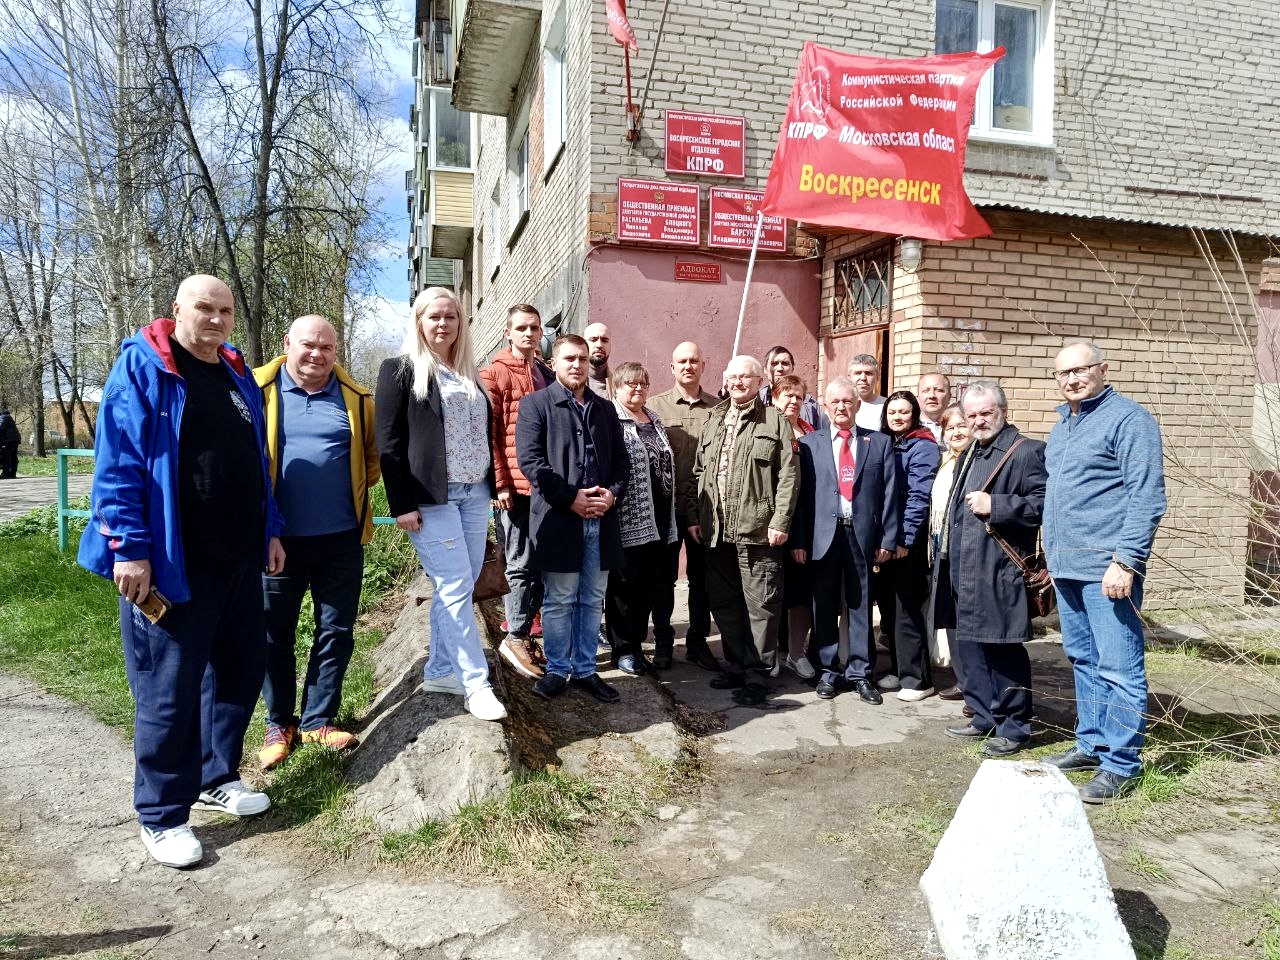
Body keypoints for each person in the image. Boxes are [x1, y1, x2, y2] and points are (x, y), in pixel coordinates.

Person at [78, 274, 283, 869]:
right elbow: (118, 463)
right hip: (172, 561)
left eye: (225, 310)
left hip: (238, 557)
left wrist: (270, 528)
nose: (216, 319)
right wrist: (129, 548)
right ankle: (162, 814)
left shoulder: (236, 373)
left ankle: (215, 776)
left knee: (239, 671)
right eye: (204, 308)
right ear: (177, 309)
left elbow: (257, 459)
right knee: (167, 688)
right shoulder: (145, 367)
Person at [375, 287, 507, 723]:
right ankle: (476, 684)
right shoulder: (400, 370)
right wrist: (401, 504)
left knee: (460, 585)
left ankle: (439, 671)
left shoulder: (468, 373)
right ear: (419, 321)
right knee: (453, 585)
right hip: (432, 498)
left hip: (474, 494)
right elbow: (388, 443)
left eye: (451, 316)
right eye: (434, 316)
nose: (443, 324)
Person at [1042, 341, 1166, 803]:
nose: (1072, 379)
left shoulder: (1130, 420)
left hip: (1107, 569)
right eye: (1063, 373)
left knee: (1119, 666)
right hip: (1067, 567)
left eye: (1081, 370)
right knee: (1083, 659)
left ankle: (1121, 764)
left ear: (1103, 369)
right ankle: (1091, 744)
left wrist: (1126, 560)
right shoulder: (1064, 425)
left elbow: (1147, 496)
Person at [254, 314, 380, 769]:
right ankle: (278, 723)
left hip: (341, 540)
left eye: (327, 347)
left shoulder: (357, 399)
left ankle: (317, 720)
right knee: (273, 634)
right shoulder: (256, 391)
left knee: (336, 632)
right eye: (309, 345)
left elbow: (371, 462)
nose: (317, 354)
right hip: (278, 541)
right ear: (287, 343)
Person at [516, 334, 629, 703]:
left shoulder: (605, 409)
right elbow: (532, 463)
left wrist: (612, 494)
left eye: (582, 358)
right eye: (569, 358)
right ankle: (557, 670)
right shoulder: (536, 405)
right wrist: (571, 498)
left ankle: (584, 670)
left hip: (601, 518)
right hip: (560, 519)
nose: (578, 364)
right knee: (561, 597)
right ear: (554, 364)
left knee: (592, 598)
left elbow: (622, 463)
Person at [940, 380, 1047, 757]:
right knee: (970, 648)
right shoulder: (971, 451)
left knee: (1002, 649)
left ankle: (1015, 728)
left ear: (1003, 411)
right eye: (972, 415)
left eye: (987, 413)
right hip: (964, 569)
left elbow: (1044, 505)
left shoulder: (1027, 451)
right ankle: (983, 715)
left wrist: (997, 506)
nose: (979, 421)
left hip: (998, 570)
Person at [685, 355, 797, 706]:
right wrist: (695, 516)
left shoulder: (775, 421)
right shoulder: (715, 418)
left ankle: (758, 675)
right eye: (732, 377)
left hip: (757, 530)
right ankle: (736, 664)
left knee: (760, 606)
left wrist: (780, 521)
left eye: (745, 377)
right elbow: (698, 472)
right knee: (724, 602)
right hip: (716, 530)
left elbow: (789, 476)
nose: (737, 382)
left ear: (760, 381)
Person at [792, 378, 899, 703]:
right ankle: (827, 672)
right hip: (822, 536)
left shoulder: (878, 443)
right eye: (835, 401)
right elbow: (801, 498)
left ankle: (861, 674)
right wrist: (799, 540)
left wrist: (887, 539)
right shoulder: (809, 444)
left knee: (860, 605)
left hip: (861, 536)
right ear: (825, 406)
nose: (841, 407)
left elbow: (890, 494)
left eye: (847, 401)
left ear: (857, 405)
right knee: (823, 605)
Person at [480, 304, 553, 680]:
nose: (528, 333)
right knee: (519, 564)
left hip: (545, 487)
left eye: (534, 328)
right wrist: (500, 483)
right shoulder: (494, 373)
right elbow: (489, 433)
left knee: (541, 564)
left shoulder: (545, 373)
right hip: (513, 487)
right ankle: (517, 636)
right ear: (508, 332)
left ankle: (526, 634)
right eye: (521, 328)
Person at [648, 341, 721, 672]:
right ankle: (663, 642)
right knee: (663, 579)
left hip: (704, 508)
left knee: (701, 579)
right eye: (682, 361)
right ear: (672, 367)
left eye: (694, 360)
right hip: (665, 509)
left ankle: (697, 642)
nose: (688, 366)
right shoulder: (654, 408)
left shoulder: (718, 409)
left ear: (703, 366)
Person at [606, 362, 678, 674]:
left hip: (660, 521)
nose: (638, 388)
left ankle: (636, 646)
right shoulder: (611, 418)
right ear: (617, 387)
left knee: (648, 588)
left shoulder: (654, 418)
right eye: (631, 383)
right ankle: (623, 650)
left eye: (643, 383)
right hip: (628, 520)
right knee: (625, 589)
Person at [877, 390, 941, 700]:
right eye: (892, 412)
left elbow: (918, 496)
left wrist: (905, 537)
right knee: (889, 608)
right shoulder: (888, 442)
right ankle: (899, 669)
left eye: (904, 411)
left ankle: (918, 680)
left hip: (906, 541)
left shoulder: (923, 446)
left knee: (906, 609)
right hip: (886, 539)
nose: (898, 417)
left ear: (914, 414)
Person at [771, 373, 817, 680]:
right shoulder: (765, 428)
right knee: (771, 592)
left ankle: (796, 653)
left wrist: (801, 535)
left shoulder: (810, 433)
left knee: (800, 592)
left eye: (798, 396)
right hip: (772, 523)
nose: (793, 401)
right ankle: (770, 654)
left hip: (803, 524)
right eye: (787, 394)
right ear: (774, 397)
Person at [928, 404, 972, 702]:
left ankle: (975, 684)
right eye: (950, 427)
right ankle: (963, 679)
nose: (956, 432)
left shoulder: (976, 460)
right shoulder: (944, 461)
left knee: (966, 617)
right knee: (951, 616)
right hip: (940, 547)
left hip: (965, 550)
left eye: (961, 425)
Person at [760, 345, 821, 428]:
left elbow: (819, 434)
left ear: (792, 368)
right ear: (765, 369)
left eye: (785, 363)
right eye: (774, 364)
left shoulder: (811, 405)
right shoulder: (755, 400)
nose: (780, 368)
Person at [848, 354, 886, 430]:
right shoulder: (839, 406)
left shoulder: (887, 406)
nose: (863, 378)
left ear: (877, 377)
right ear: (849, 377)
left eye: (868, 373)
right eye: (858, 373)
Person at [917, 372, 952, 442]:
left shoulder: (962, 427)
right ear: (918, 397)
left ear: (949, 396)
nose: (931, 395)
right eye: (926, 391)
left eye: (938, 390)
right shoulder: (908, 428)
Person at [584, 322, 612, 399]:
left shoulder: (619, 386)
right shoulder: (571, 383)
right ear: (584, 344)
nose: (599, 345)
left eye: (604, 340)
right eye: (593, 340)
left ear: (610, 345)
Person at [0, 405, 19, 478]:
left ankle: (6, 474)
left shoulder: (3, 417)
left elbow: (0, 427)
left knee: (6, 457)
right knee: (13, 457)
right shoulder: (8, 417)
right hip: (15, 439)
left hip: (8, 440)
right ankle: (13, 474)